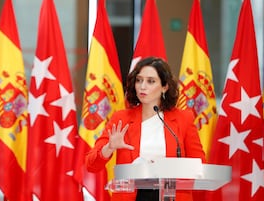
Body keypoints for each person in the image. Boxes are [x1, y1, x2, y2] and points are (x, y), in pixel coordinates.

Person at [85, 56, 206, 201]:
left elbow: (199, 165)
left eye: (151, 81)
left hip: (171, 195)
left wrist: (166, 168)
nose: (142, 86)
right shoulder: (121, 119)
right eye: (139, 80)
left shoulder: (183, 119)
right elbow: (91, 165)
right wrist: (109, 147)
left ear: (164, 86)